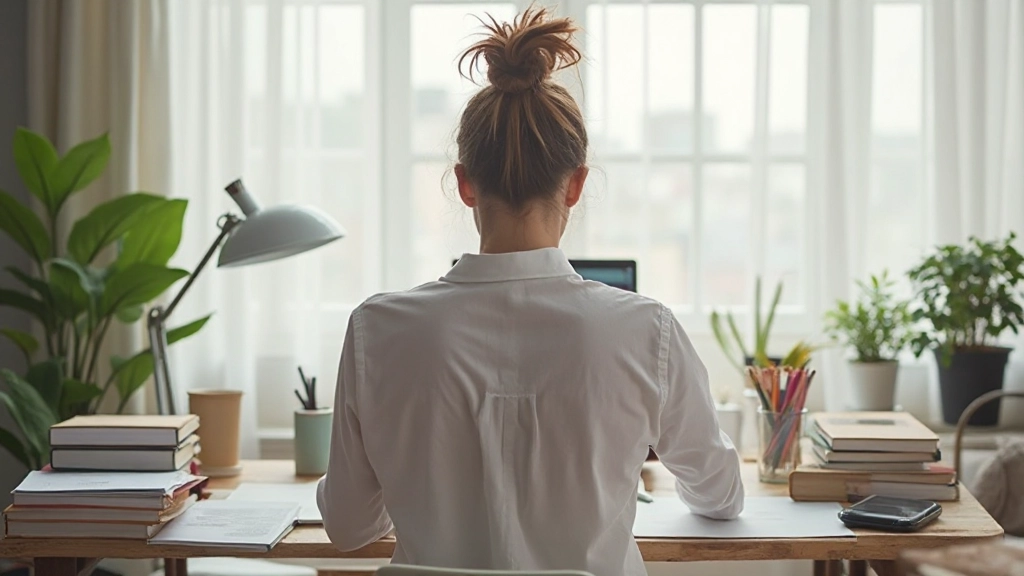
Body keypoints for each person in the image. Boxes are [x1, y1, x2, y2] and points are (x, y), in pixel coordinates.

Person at [316, 7, 743, 576]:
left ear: (464, 184)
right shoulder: (646, 331)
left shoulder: (378, 329)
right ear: (576, 185)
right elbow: (721, 496)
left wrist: (405, 461)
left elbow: (347, 529)